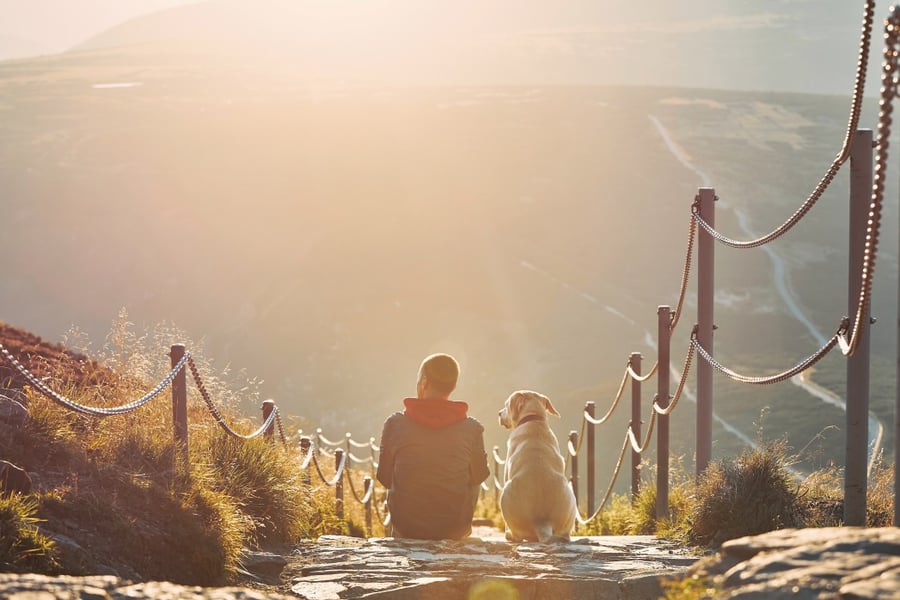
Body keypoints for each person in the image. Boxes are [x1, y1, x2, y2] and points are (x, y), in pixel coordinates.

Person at [376, 353, 490, 540]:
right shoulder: (472, 428)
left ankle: (402, 535)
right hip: (454, 529)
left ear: (424, 382)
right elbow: (479, 476)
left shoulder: (395, 424)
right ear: (453, 386)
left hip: (407, 529)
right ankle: (461, 531)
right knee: (474, 473)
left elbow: (385, 478)